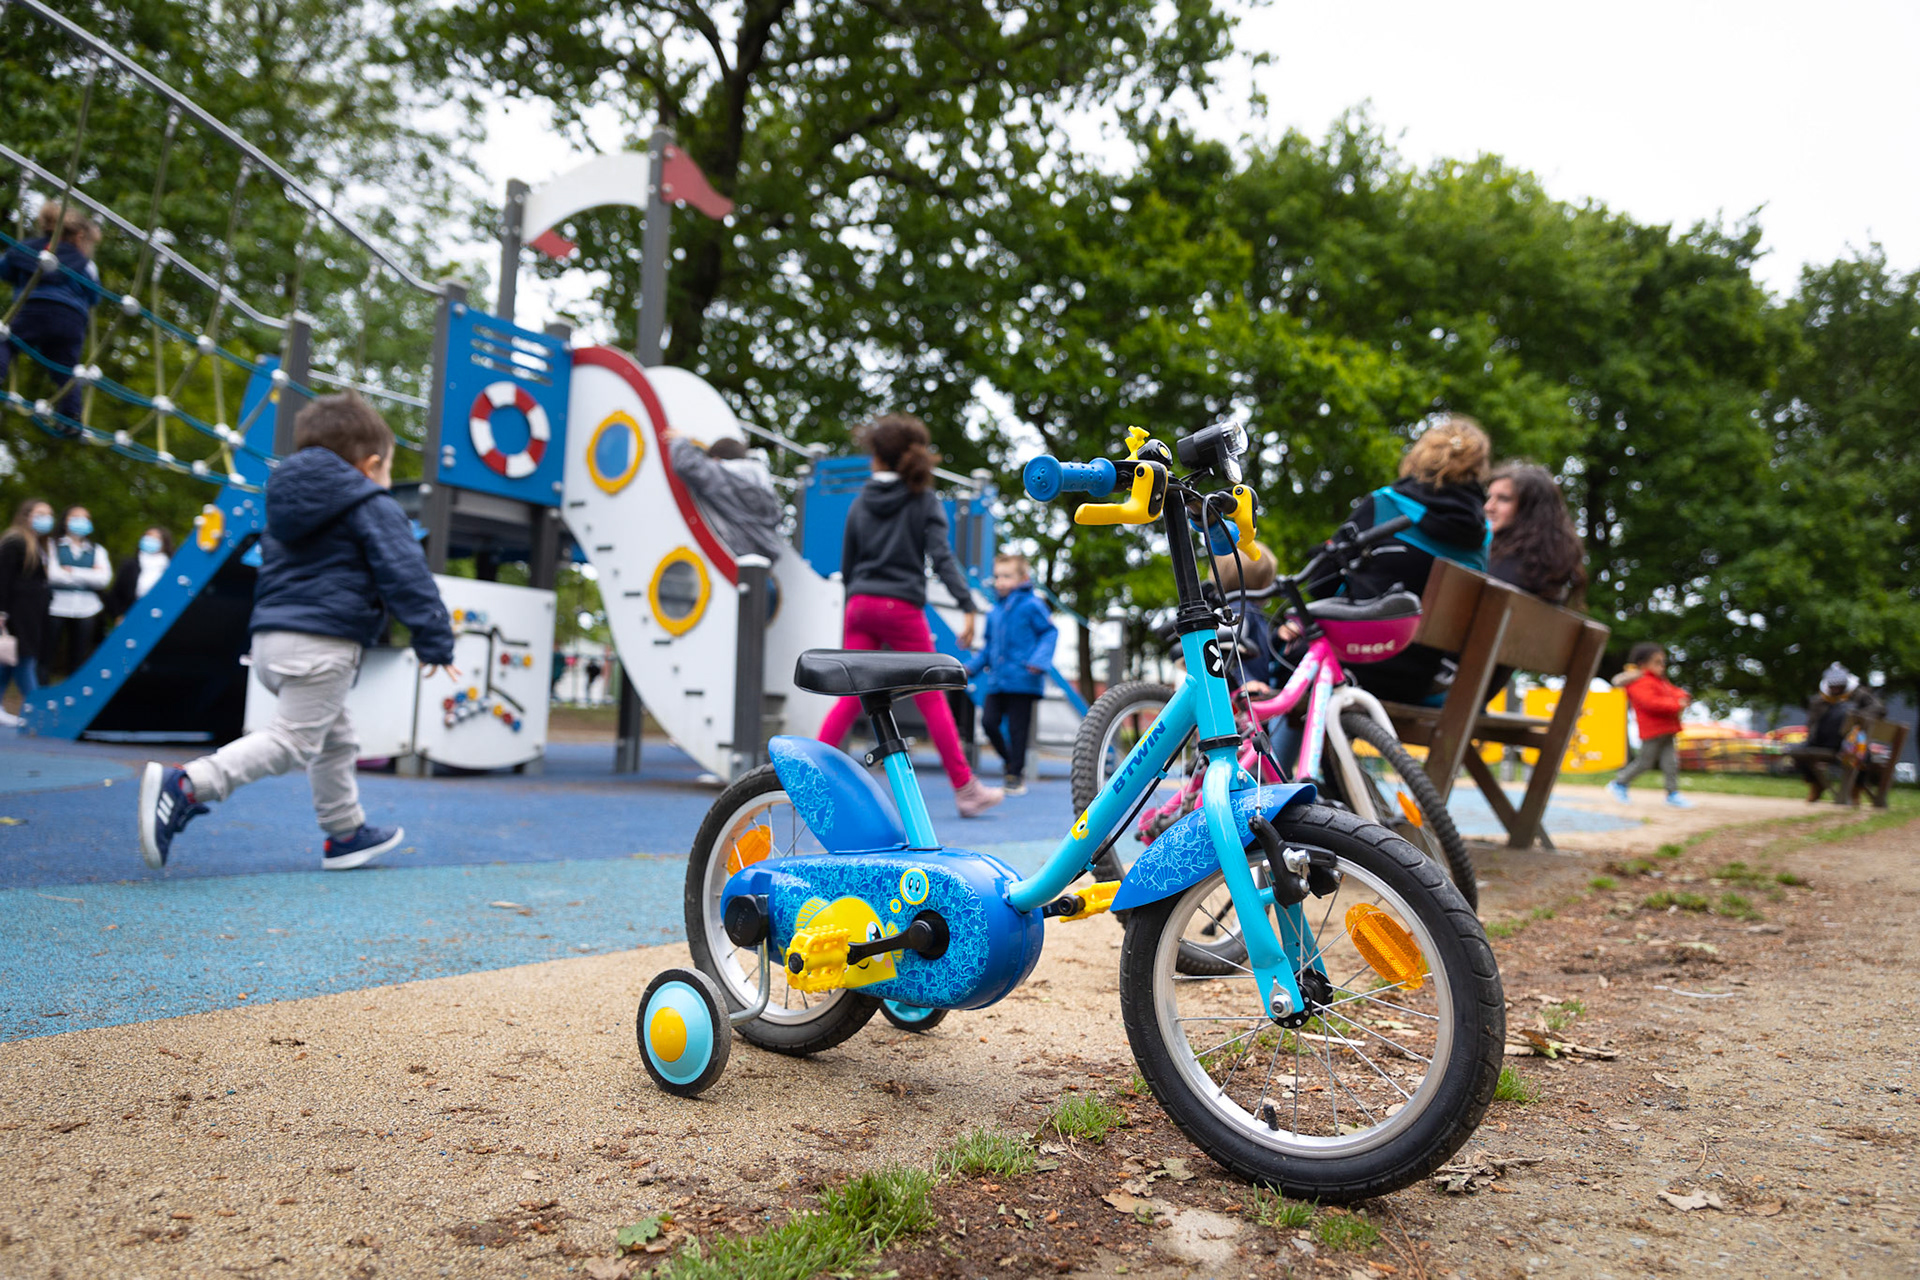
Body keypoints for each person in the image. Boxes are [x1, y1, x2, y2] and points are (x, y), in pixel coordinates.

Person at [138, 393, 458, 871]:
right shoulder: (371, 501)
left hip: (271, 639)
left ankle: (345, 832)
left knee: (336, 737)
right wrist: (435, 640)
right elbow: (404, 571)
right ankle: (188, 784)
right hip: (322, 644)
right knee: (293, 740)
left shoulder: (285, 502)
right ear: (370, 465)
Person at [817, 413, 1002, 817]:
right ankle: (965, 789)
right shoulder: (922, 499)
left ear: (877, 457)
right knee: (931, 696)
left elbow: (848, 566)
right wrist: (968, 605)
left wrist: (861, 594)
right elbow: (942, 559)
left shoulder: (861, 501)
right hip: (900, 606)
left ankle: (811, 778)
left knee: (851, 696)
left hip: (861, 604)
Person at [1280, 416, 1492, 705]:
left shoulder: (1384, 505)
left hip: (1355, 661)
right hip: (1420, 681)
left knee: (1281, 655)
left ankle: (1272, 751)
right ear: (1478, 469)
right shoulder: (1484, 538)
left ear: (1421, 457)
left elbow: (1321, 584)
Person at [0, 202, 104, 426]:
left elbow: (5, 269)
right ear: (79, 237)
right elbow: (95, 295)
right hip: (70, 320)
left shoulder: (25, 248)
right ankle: (71, 417)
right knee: (66, 368)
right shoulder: (85, 263)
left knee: (5, 341)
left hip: (33, 308)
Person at [963, 553, 1058, 796]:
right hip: (998, 680)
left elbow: (1049, 633)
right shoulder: (994, 612)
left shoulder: (1032, 605)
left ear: (1023, 578)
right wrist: (971, 667)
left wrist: (1039, 660)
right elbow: (988, 646)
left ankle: (1016, 774)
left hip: (1023, 679)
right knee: (988, 723)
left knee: (1018, 729)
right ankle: (1009, 761)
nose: (1000, 582)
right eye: (997, 576)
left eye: (1007, 576)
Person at [665, 429, 785, 560]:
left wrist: (680, 440)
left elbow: (687, 465)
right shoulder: (763, 484)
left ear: (716, 460)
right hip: (763, 560)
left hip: (733, 556)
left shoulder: (724, 476)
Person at [1484, 462, 1586, 606]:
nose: (1488, 507)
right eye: (1489, 498)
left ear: (1529, 509)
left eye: (1503, 499)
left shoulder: (1508, 567)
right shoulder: (1553, 573)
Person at [1607, 642, 1691, 807]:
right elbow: (1651, 703)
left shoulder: (1661, 681)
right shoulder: (1640, 683)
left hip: (1668, 729)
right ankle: (1619, 783)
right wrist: (1677, 704)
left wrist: (1684, 696)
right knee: (1645, 762)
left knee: (1671, 763)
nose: (1662, 666)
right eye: (1657, 662)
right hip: (1652, 730)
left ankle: (1672, 793)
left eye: (1663, 662)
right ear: (1642, 664)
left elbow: (1675, 691)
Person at [1796, 663, 1887, 803]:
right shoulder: (1819, 700)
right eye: (1833, 687)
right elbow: (1812, 724)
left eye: (1840, 686)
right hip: (1824, 741)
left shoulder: (1860, 695)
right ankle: (1816, 784)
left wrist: (1857, 716)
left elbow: (1879, 709)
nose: (1836, 689)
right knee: (1798, 751)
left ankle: (1855, 790)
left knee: (1863, 754)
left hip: (1849, 742)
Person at [0, 498, 54, 726]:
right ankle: (37, 711)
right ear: (26, 515)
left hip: (31, 612)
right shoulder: (15, 542)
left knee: (7, 662)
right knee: (25, 660)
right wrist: (2, 612)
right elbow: (3, 579)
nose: (46, 519)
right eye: (40, 513)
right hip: (16, 612)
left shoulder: (38, 544)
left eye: (49, 514)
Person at [42, 505, 112, 682]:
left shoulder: (98, 550)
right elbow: (51, 575)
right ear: (65, 520)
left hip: (88, 608)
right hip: (55, 606)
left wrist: (71, 571)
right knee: (47, 652)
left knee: (79, 655)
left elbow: (103, 579)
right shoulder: (52, 545)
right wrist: (89, 573)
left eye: (85, 517)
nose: (80, 521)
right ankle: (38, 692)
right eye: (75, 517)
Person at [108, 525, 174, 619]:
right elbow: (115, 594)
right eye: (148, 536)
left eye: (156, 538)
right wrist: (118, 616)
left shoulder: (170, 568)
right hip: (132, 617)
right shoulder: (129, 565)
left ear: (164, 543)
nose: (150, 540)